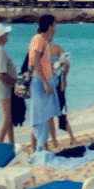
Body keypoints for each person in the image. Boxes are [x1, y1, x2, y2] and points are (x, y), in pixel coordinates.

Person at [27, 14, 59, 152]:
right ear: (50, 26)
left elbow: (41, 62)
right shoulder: (39, 40)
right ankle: (37, 149)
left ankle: (42, 147)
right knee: (39, 116)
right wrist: (45, 83)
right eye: (55, 24)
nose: (56, 27)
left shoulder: (43, 40)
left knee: (44, 116)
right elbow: (35, 62)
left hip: (43, 81)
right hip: (39, 82)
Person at [0, 24, 17, 145]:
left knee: (9, 119)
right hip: (4, 89)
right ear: (1, 37)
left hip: (1, 88)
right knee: (6, 120)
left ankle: (11, 144)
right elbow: (1, 74)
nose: (8, 36)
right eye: (6, 34)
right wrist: (15, 82)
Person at [48, 40, 76, 147]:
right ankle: (72, 138)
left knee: (50, 116)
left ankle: (54, 142)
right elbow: (67, 63)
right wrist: (64, 78)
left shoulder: (40, 50)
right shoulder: (57, 48)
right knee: (61, 113)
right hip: (59, 84)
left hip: (47, 85)